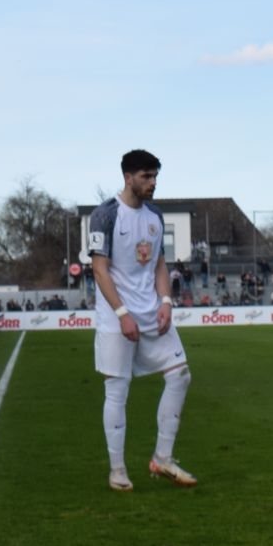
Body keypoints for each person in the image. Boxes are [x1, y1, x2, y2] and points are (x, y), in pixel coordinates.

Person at [89, 150, 195, 491]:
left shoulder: (155, 215)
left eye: (155, 176)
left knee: (180, 374)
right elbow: (99, 269)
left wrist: (165, 301)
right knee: (117, 390)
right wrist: (122, 314)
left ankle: (163, 458)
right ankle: (117, 470)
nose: (153, 183)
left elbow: (160, 264)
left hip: (152, 312)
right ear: (128, 177)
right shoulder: (105, 215)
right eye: (146, 176)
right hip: (116, 316)